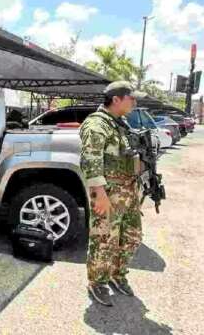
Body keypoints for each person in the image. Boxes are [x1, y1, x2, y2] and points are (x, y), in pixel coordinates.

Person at [80, 80, 147, 307]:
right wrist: (99, 194)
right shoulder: (97, 125)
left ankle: (117, 275)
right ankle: (97, 281)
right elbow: (91, 161)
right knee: (104, 240)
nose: (135, 101)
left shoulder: (121, 124)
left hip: (128, 191)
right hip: (108, 193)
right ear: (116, 99)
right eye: (131, 98)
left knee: (132, 237)